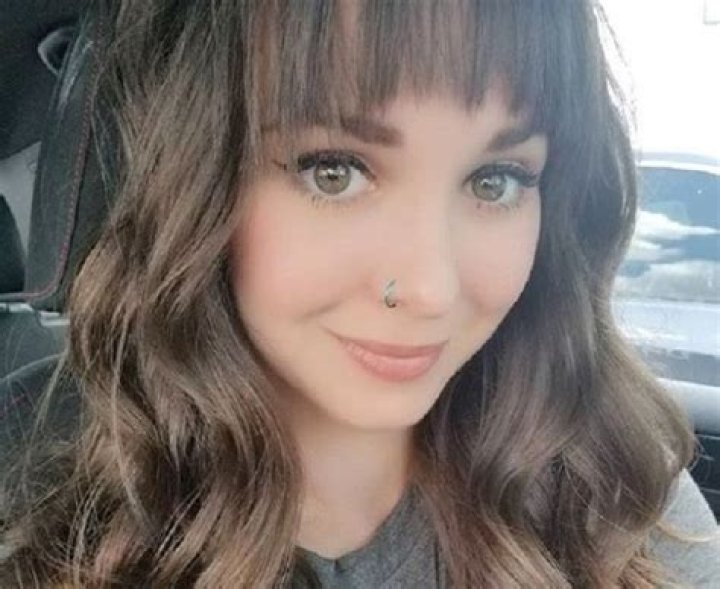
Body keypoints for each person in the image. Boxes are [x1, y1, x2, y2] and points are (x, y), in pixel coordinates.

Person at [0, 0, 718, 587]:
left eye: (495, 180)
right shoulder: (41, 514)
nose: (431, 289)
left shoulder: (620, 498)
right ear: (190, 184)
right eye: (334, 171)